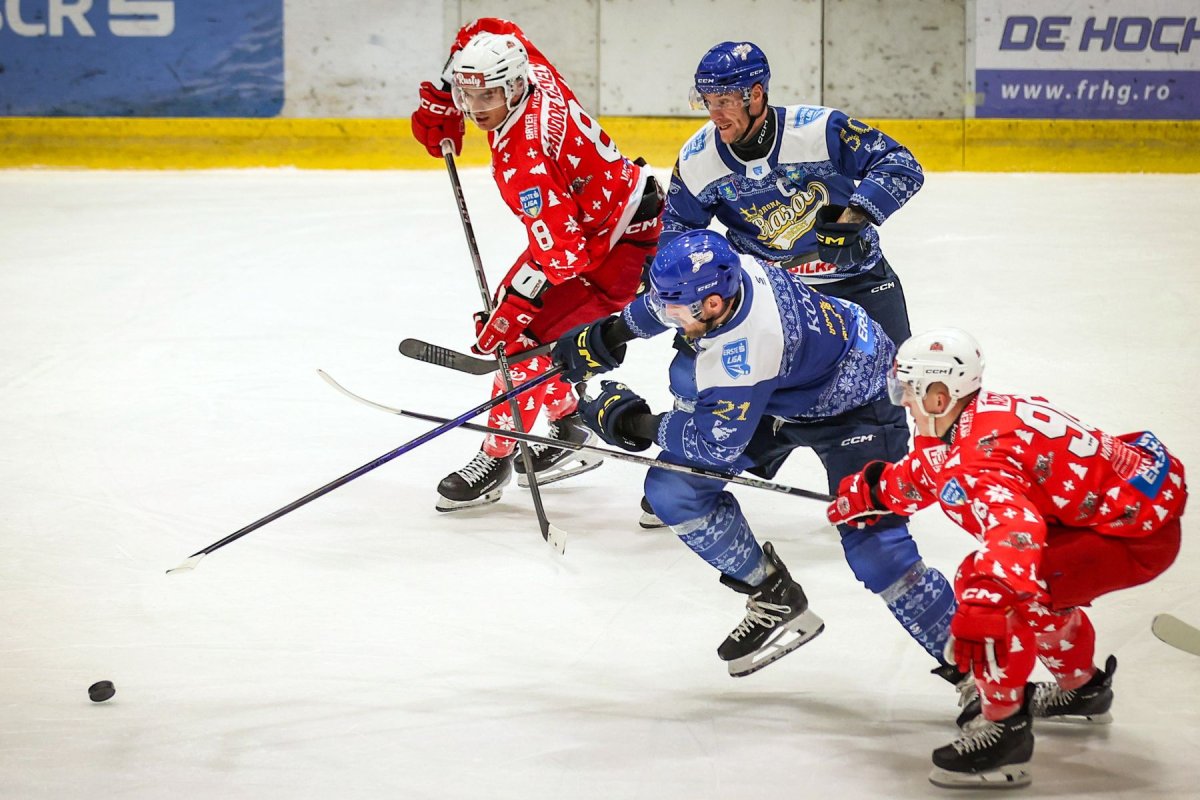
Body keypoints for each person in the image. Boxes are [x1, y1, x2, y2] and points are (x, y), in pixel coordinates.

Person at [551, 228, 958, 679]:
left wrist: (633, 423)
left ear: (712, 306)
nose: (671, 316)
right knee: (673, 488)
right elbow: (663, 304)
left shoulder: (741, 352)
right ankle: (772, 594)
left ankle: (984, 677)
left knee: (875, 548)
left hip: (858, 407)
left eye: (679, 310)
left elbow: (714, 441)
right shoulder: (728, 274)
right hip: (786, 391)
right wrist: (611, 333)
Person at [827, 328, 1186, 789]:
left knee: (996, 587)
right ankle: (1081, 690)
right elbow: (936, 466)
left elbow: (1015, 533)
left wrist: (982, 610)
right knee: (1021, 587)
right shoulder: (977, 416)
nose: (903, 403)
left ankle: (1004, 733)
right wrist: (874, 492)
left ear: (939, 396)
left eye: (907, 390)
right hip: (1125, 517)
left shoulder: (979, 458)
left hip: (1132, 539)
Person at [409, 18, 663, 510]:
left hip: (615, 256)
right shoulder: (535, 74)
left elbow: (564, 257)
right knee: (523, 333)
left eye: (487, 97)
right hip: (607, 225)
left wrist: (517, 307)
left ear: (514, 84)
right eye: (467, 95)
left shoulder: (523, 160)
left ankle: (497, 455)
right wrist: (443, 93)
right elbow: (490, 27)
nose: (476, 109)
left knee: (521, 343)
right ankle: (569, 421)